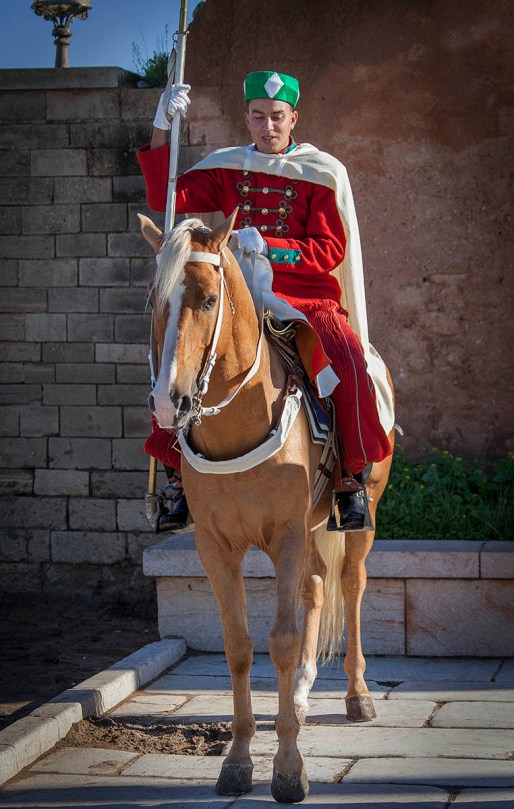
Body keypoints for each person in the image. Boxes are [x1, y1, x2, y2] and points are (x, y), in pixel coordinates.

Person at [137, 70, 393, 532]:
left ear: (294, 117)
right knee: (176, 358)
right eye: (258, 117)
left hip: (305, 297)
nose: (268, 127)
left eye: (277, 117)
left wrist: (270, 246)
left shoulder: (323, 172)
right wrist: (161, 128)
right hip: (240, 296)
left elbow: (328, 250)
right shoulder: (227, 165)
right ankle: (177, 479)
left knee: (351, 360)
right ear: (247, 118)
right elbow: (166, 196)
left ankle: (351, 481)